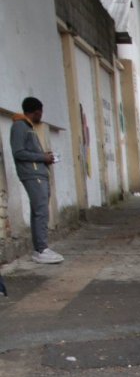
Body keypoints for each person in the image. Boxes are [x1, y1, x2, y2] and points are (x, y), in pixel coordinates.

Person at [9, 97, 63, 264]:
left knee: (38, 211)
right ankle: (41, 249)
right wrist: (42, 157)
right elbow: (18, 152)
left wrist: (45, 157)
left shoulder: (27, 126)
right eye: (41, 112)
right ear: (37, 111)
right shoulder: (20, 126)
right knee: (41, 212)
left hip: (38, 174)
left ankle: (40, 248)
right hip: (32, 175)